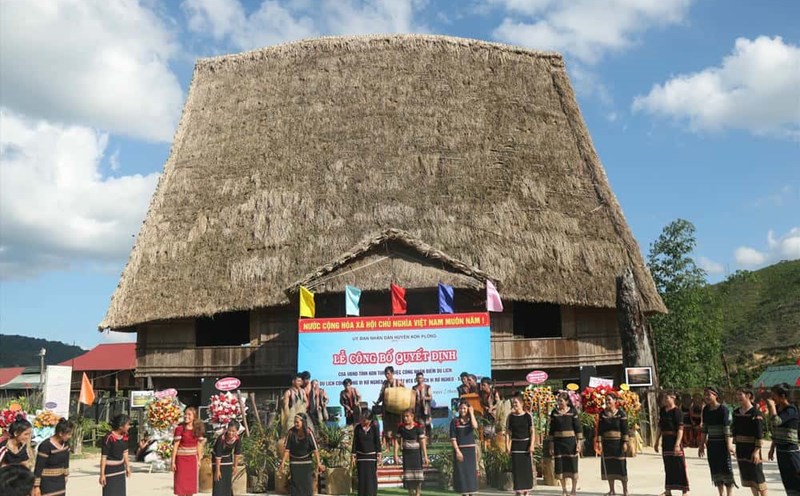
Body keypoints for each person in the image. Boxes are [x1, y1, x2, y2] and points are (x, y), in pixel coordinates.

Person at [699, 387, 735, 495]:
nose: (706, 397)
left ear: (716, 395)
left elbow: (727, 429)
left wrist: (729, 445)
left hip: (722, 444)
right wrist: (701, 444)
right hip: (712, 444)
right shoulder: (706, 410)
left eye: (709, 394)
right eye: (705, 394)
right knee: (715, 470)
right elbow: (704, 428)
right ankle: (721, 494)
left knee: (726, 469)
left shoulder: (723, 410)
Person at [732, 388, 767, 496]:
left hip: (752, 449)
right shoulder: (736, 412)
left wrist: (756, 451)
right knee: (749, 478)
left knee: (758, 478)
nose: (738, 397)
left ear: (748, 395)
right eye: (737, 394)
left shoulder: (756, 413)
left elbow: (759, 433)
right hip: (741, 448)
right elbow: (734, 429)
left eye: (740, 394)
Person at [766, 383, 799, 496]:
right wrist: (772, 448)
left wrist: (771, 407)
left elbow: (776, 422)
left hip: (790, 452)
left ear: (783, 396)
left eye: (774, 395)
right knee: (787, 480)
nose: (772, 398)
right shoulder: (779, 409)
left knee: (796, 479)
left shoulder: (791, 410)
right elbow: (775, 430)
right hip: (781, 451)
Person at [655, 390, 689, 496]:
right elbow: (660, 427)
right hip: (666, 441)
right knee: (668, 466)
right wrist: (656, 441)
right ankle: (668, 490)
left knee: (679, 465)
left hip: (674, 440)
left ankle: (684, 490)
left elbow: (680, 429)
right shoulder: (662, 411)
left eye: (667, 398)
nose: (665, 400)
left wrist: (677, 444)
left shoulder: (677, 412)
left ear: (673, 398)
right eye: (664, 398)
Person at [279, 414, 324, 496]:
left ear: (303, 422)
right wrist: (282, 463)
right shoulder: (291, 432)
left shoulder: (309, 432)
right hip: (295, 463)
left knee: (307, 485)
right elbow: (287, 450)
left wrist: (318, 463)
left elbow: (315, 449)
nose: (295, 424)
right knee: (296, 486)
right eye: (294, 422)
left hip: (306, 464)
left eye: (297, 422)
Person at [596, 393, 629, 496]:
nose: (607, 402)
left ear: (615, 401)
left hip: (618, 444)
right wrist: (599, 442)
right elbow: (600, 430)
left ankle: (625, 490)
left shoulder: (621, 414)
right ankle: (612, 490)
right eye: (606, 400)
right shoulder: (602, 414)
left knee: (621, 466)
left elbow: (625, 429)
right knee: (609, 466)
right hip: (607, 444)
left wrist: (625, 442)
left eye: (609, 400)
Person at [549, 392, 581, 496]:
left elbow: (578, 428)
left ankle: (573, 490)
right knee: (560, 466)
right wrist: (551, 445)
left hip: (570, 443)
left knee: (572, 465)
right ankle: (564, 490)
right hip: (558, 443)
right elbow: (551, 430)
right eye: (558, 401)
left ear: (567, 401)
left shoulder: (573, 412)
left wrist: (578, 443)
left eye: (561, 401)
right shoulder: (554, 413)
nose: (559, 403)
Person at [34, 417, 73, 496]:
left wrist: (66, 475)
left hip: (60, 483)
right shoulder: (45, 446)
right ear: (60, 433)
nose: (70, 436)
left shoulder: (66, 444)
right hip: (46, 484)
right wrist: (36, 486)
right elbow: (38, 467)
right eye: (68, 434)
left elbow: (66, 461)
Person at [393, 409, 428, 496]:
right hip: (407, 455)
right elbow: (397, 441)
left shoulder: (418, 427)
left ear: (412, 416)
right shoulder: (401, 428)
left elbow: (422, 442)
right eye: (404, 416)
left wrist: (425, 456)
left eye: (407, 416)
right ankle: (410, 493)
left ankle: (418, 493)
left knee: (418, 477)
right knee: (408, 477)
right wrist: (395, 455)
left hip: (416, 455)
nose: (405, 418)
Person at [172, 407, 205, 496]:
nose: (186, 416)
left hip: (192, 460)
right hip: (181, 461)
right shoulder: (179, 429)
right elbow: (175, 446)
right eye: (185, 414)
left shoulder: (197, 429)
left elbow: (199, 446)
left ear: (194, 417)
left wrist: (199, 459)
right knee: (181, 486)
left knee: (190, 487)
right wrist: (173, 462)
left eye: (189, 414)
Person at [506, 393, 535, 496]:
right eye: (513, 403)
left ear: (521, 404)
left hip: (526, 445)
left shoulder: (528, 416)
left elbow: (532, 432)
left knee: (526, 469)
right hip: (515, 446)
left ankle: (526, 491)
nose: (514, 405)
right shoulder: (510, 417)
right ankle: (518, 491)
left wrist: (531, 445)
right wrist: (507, 446)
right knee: (517, 469)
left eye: (516, 402)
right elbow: (508, 433)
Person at [450, 401, 478, 496]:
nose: (462, 410)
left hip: (470, 451)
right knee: (462, 476)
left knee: (471, 475)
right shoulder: (455, 421)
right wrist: (457, 451)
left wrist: (472, 413)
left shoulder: (471, 420)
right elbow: (453, 438)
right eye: (461, 408)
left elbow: (475, 426)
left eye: (465, 408)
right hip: (460, 451)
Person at [100, 414, 131, 496]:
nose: (129, 426)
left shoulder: (125, 437)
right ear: (121, 426)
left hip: (120, 470)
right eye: (128, 425)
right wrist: (102, 474)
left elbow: (125, 452)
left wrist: (127, 466)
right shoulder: (108, 437)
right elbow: (104, 457)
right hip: (110, 471)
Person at [351, 410, 381, 496]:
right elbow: (355, 441)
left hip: (371, 457)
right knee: (362, 477)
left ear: (370, 420)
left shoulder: (374, 427)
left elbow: (377, 441)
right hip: (361, 457)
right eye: (361, 419)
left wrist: (379, 454)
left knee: (371, 478)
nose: (362, 421)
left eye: (364, 420)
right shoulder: (358, 428)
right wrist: (353, 454)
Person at [376, 366, 404, 447]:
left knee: (398, 425)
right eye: (385, 374)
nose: (386, 375)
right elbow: (381, 394)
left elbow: (404, 392)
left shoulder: (398, 382)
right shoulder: (384, 383)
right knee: (387, 426)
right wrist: (378, 402)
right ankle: (388, 446)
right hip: (386, 408)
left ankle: (400, 444)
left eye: (388, 373)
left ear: (392, 373)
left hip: (396, 408)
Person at [212, 421, 242, 496]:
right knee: (218, 483)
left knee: (227, 483)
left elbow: (237, 453)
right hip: (217, 461)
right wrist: (217, 470)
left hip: (228, 461)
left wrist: (235, 466)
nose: (231, 433)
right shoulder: (221, 438)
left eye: (233, 431)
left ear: (237, 431)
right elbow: (218, 455)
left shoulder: (237, 439)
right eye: (229, 430)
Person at [412, 372, 432, 439]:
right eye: (418, 378)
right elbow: (413, 398)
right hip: (418, 410)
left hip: (426, 409)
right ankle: (421, 439)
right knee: (420, 424)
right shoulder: (414, 388)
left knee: (427, 424)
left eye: (420, 378)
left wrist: (424, 398)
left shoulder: (427, 387)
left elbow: (430, 397)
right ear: (416, 379)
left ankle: (428, 440)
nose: (419, 379)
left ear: (423, 378)